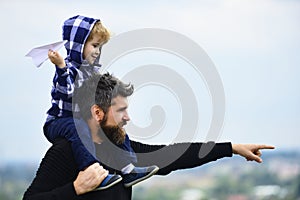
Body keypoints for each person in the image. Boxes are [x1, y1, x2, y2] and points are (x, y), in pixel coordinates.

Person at [23, 72, 275, 200]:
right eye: (121, 110)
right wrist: (76, 188)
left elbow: (175, 155)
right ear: (97, 112)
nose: (128, 117)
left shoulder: (121, 150)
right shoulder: (65, 151)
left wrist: (231, 148)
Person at [43, 15, 158, 191]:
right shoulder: (68, 70)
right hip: (59, 121)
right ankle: (93, 171)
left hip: (80, 121)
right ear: (78, 44)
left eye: (100, 47)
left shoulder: (90, 72)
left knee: (115, 127)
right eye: (94, 46)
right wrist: (60, 67)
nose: (97, 52)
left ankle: (128, 170)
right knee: (78, 127)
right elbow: (67, 92)